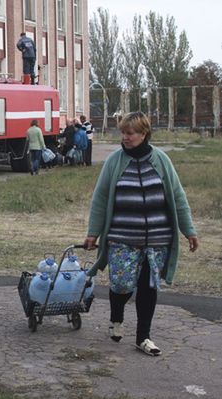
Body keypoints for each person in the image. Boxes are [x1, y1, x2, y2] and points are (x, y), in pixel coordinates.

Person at [83, 111, 199, 356]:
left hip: (157, 239)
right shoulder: (114, 162)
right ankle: (116, 318)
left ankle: (143, 337)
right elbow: (101, 199)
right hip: (122, 238)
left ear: (144, 133)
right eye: (123, 133)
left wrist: (189, 230)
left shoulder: (162, 160)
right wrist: (93, 232)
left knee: (148, 287)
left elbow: (178, 197)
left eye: (130, 133)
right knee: (122, 285)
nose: (125, 137)